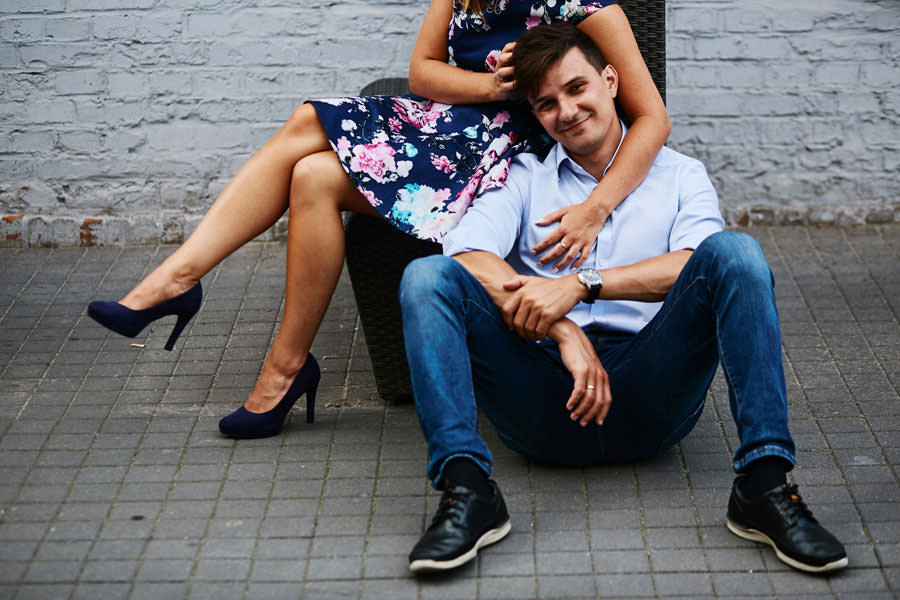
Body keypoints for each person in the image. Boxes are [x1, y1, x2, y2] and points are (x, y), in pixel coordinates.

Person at [86, 0, 670, 439]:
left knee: (310, 156)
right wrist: (492, 85)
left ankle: (193, 296)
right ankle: (268, 354)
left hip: (512, 156)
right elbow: (423, 72)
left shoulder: (584, 3)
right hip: (453, 127)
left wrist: (595, 209)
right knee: (310, 168)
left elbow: (653, 119)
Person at [399, 22, 847, 575]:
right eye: (546, 104)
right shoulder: (522, 177)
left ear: (611, 81)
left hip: (650, 390)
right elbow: (466, 256)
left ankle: (764, 486)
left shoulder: (680, 174)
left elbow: (694, 265)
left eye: (576, 88)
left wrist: (581, 284)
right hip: (540, 396)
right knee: (426, 278)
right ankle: (468, 490)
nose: (566, 111)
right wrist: (562, 329)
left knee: (737, 253)